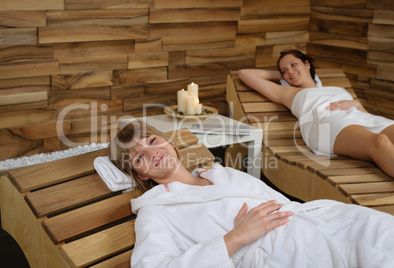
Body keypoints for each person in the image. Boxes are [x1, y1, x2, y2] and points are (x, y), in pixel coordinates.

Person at [109, 121, 394, 268]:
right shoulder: (155, 211)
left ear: (169, 142)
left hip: (312, 223)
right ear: (142, 175)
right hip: (280, 255)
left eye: (152, 141)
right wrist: (234, 239)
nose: (152, 153)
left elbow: (284, 206)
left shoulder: (221, 173)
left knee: (379, 228)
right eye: (139, 158)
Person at [238, 49, 394, 178]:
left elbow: (364, 117)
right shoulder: (288, 92)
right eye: (284, 70)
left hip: (359, 117)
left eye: (293, 64)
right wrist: (283, 75)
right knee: (380, 141)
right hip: (327, 124)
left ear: (307, 64)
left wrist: (358, 104)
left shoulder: (335, 88)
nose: (290, 71)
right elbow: (244, 73)